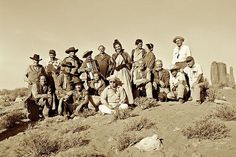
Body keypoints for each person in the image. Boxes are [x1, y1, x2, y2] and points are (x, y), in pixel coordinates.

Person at [111, 39, 134, 104]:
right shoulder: (113, 55)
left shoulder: (125, 54)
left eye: (119, 46)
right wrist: (115, 67)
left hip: (124, 71)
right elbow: (112, 64)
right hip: (117, 72)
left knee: (126, 85)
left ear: (121, 46)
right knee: (118, 86)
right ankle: (120, 102)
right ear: (114, 48)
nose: (118, 48)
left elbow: (129, 62)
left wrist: (124, 65)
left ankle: (130, 102)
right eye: (116, 47)